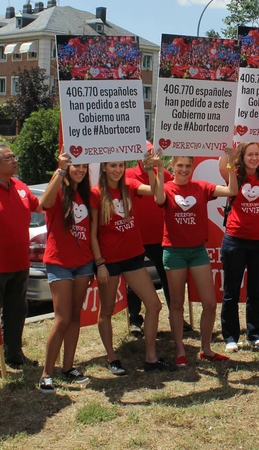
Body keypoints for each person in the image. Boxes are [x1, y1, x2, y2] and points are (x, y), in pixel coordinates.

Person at [90, 154, 175, 375]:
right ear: (104, 168)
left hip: (133, 257)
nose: (117, 170)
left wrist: (151, 170)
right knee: (107, 310)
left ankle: (151, 358)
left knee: (154, 305)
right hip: (108, 261)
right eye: (112, 166)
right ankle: (112, 358)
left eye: (120, 165)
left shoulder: (129, 185)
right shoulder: (96, 193)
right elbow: (92, 234)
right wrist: (99, 263)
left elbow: (159, 196)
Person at [154, 153, 238, 367]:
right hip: (173, 252)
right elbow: (159, 199)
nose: (184, 169)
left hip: (197, 251)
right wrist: (157, 171)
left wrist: (230, 164)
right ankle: (180, 350)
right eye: (179, 165)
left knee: (209, 303)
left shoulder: (201, 187)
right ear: (172, 166)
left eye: (187, 166)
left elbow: (232, 191)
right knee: (176, 304)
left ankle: (206, 349)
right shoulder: (166, 188)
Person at [0, 143, 42, 377]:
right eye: (8, 158)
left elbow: (42, 207)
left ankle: (14, 354)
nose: (14, 160)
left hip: (20, 264)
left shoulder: (21, 187)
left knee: (17, 311)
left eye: (14, 156)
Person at [37, 150, 93, 393]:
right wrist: (60, 170)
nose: (80, 170)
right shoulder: (59, 188)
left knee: (75, 316)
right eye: (76, 166)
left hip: (83, 263)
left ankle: (68, 367)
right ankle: (46, 374)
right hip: (59, 262)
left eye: (84, 166)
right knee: (61, 318)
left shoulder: (87, 195)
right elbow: (43, 204)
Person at [125, 142, 192, 336]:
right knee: (134, 281)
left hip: (161, 237)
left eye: (150, 153)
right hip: (135, 237)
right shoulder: (128, 174)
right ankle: (135, 320)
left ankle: (176, 317)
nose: (147, 156)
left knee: (169, 278)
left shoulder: (165, 174)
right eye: (143, 153)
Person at [217, 143, 259, 353]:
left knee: (256, 291)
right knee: (231, 292)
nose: (254, 158)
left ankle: (255, 335)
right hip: (235, 241)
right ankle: (231, 337)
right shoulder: (235, 174)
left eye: (257, 154)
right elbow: (222, 166)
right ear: (242, 156)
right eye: (250, 154)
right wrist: (227, 153)